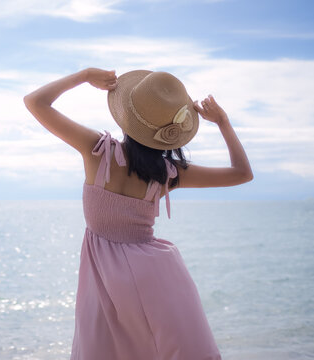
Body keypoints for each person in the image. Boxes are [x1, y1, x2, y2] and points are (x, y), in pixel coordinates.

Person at [24, 68, 253, 360]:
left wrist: (83, 77)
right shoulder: (168, 174)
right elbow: (242, 173)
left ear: (129, 117)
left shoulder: (97, 150)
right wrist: (222, 122)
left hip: (104, 276)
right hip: (155, 275)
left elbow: (35, 102)